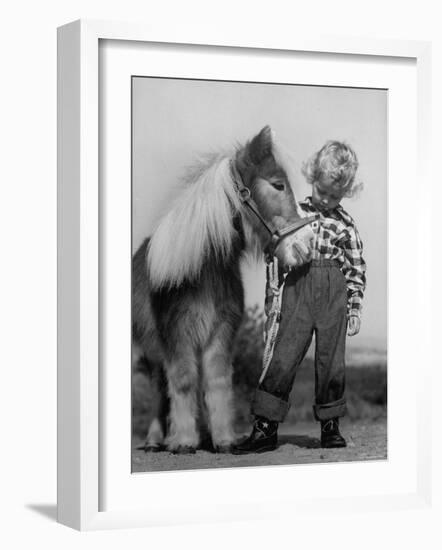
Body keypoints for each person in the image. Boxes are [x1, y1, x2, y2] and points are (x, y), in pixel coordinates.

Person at [234, 141, 366, 453]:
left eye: (335, 195)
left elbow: (356, 268)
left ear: (345, 193)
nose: (327, 199)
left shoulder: (346, 225)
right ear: (312, 179)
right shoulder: (296, 214)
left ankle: (330, 426)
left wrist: (355, 306)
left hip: (334, 292)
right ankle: (265, 427)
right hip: (297, 288)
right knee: (284, 354)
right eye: (323, 191)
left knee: (331, 361)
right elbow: (274, 251)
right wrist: (277, 281)